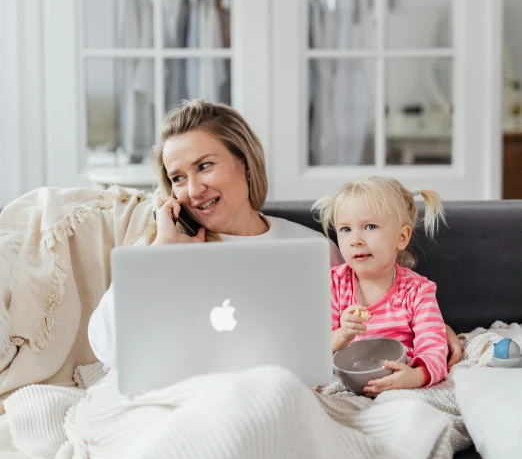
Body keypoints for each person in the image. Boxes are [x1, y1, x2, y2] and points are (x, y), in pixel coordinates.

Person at [88, 100, 463, 372]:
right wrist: (163, 256)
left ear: (244, 165)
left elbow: (371, 305)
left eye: (205, 166)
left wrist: (429, 326)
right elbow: (109, 350)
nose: (193, 189)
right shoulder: (159, 247)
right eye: (178, 178)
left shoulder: (312, 249)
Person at [315, 176, 450, 396]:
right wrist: (342, 334)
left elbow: (434, 347)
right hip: (347, 384)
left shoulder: (418, 291)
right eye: (345, 229)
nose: (355, 240)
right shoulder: (333, 284)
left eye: (370, 226)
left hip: (398, 386)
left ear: (402, 236)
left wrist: (416, 376)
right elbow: (314, 348)